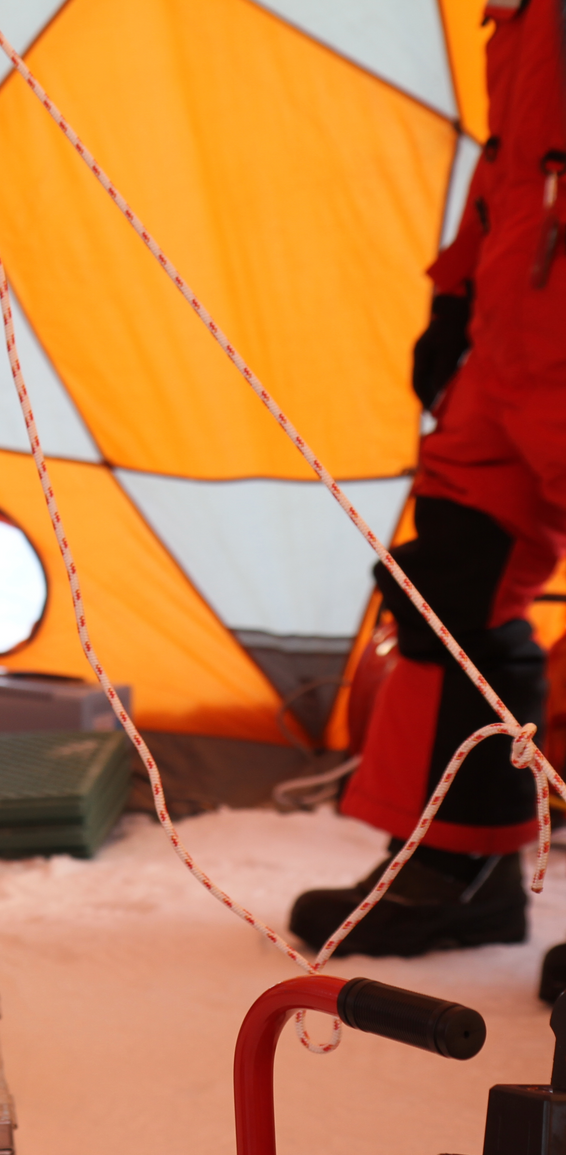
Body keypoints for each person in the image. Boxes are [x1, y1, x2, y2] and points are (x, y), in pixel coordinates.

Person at [289, 0, 564, 963]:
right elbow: (514, 158)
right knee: (444, 584)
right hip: (513, 334)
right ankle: (455, 866)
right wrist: (455, 290)